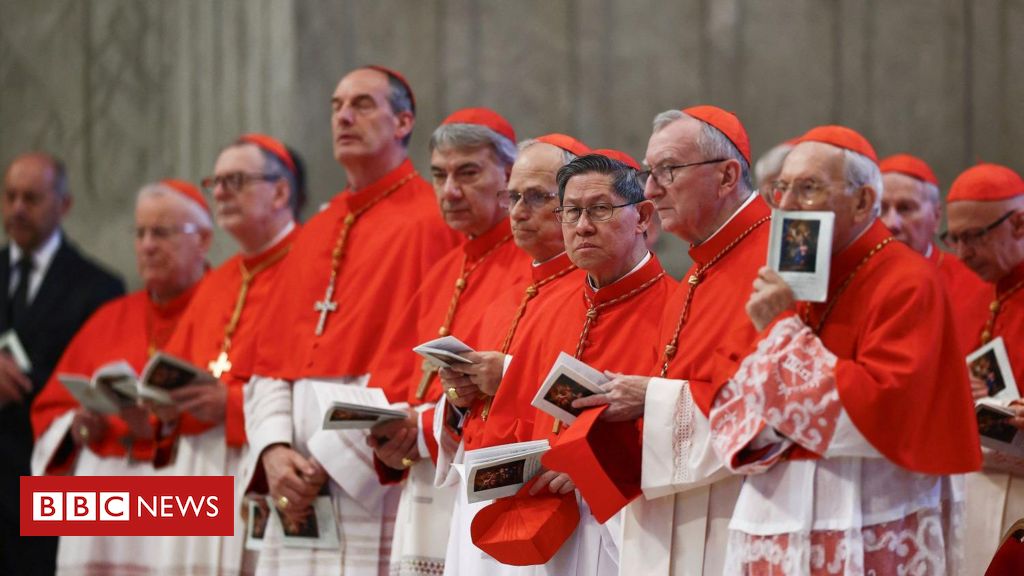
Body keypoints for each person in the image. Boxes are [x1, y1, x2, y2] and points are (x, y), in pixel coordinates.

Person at [709, 125, 980, 574]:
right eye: (781, 189)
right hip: (777, 506)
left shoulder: (908, 279)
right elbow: (729, 384)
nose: (789, 205)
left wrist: (780, 330)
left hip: (870, 508)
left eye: (809, 188)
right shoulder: (788, 270)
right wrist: (776, 424)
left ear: (862, 201)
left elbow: (882, 408)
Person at [241, 66, 461, 576]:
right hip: (292, 479)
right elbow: (269, 361)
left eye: (362, 104)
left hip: (372, 476)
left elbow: (433, 359)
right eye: (337, 105)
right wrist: (274, 451)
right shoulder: (316, 228)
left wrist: (329, 461)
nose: (343, 115)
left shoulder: (434, 221)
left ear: (403, 120)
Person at [567, 106, 771, 575]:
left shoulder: (774, 261)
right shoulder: (702, 269)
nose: (652, 189)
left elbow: (771, 403)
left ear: (727, 176)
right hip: (686, 512)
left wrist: (650, 398)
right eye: (649, 172)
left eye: (668, 171)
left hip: (737, 511)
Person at [482, 153, 676, 574]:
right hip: (541, 527)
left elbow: (683, 423)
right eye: (571, 212)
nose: (583, 226)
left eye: (600, 210)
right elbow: (510, 423)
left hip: (631, 528)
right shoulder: (549, 308)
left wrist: (595, 465)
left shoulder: (677, 310)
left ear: (642, 216)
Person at [366, 107, 531, 575]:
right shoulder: (446, 270)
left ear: (509, 173)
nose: (450, 191)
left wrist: (421, 429)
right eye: (439, 176)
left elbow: (509, 386)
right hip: (422, 483)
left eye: (467, 172)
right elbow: (397, 376)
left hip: (477, 484)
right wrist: (386, 432)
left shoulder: (529, 266)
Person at [30, 179, 212, 576]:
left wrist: (160, 426)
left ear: (204, 240)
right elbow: (49, 409)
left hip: (188, 501)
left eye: (161, 232)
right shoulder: (108, 318)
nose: (147, 245)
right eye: (141, 232)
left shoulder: (226, 310)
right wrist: (76, 426)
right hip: (103, 510)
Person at [434, 133, 590, 576]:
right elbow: (476, 416)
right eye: (514, 196)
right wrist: (458, 398)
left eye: (538, 198)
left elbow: (606, 397)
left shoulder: (592, 291)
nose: (518, 212)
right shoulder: (503, 299)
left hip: (544, 504)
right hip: (477, 499)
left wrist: (507, 374)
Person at [153, 134, 303, 575]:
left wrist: (234, 406)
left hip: (262, 461)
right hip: (199, 463)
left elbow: (320, 378)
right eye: (215, 182)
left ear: (279, 191)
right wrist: (160, 403)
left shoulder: (311, 268)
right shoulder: (217, 281)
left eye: (235, 181)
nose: (218, 193)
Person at [0, 152, 124, 576]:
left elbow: (102, 385)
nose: (17, 208)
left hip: (48, 479)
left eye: (31, 198)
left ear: (64, 205)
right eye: (10, 196)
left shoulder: (99, 286)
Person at [943, 163, 1024, 573]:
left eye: (973, 237)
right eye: (953, 238)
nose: (962, 253)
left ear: (1020, 224)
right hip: (969, 487)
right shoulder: (963, 288)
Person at [879, 153, 989, 340]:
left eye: (905, 208)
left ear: (936, 217)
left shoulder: (975, 281)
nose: (892, 223)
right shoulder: (853, 278)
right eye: (881, 209)